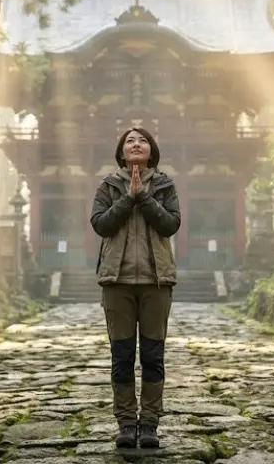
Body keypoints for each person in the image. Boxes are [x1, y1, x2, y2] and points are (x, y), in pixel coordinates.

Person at [90, 126, 181, 449]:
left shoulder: (165, 185)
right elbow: (101, 224)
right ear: (121, 152)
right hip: (117, 283)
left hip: (157, 283)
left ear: (151, 150)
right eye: (130, 141)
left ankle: (151, 423)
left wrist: (144, 196)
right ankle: (127, 423)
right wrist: (128, 197)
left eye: (142, 140)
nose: (136, 144)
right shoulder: (108, 185)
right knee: (122, 356)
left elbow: (171, 224)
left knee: (153, 356)